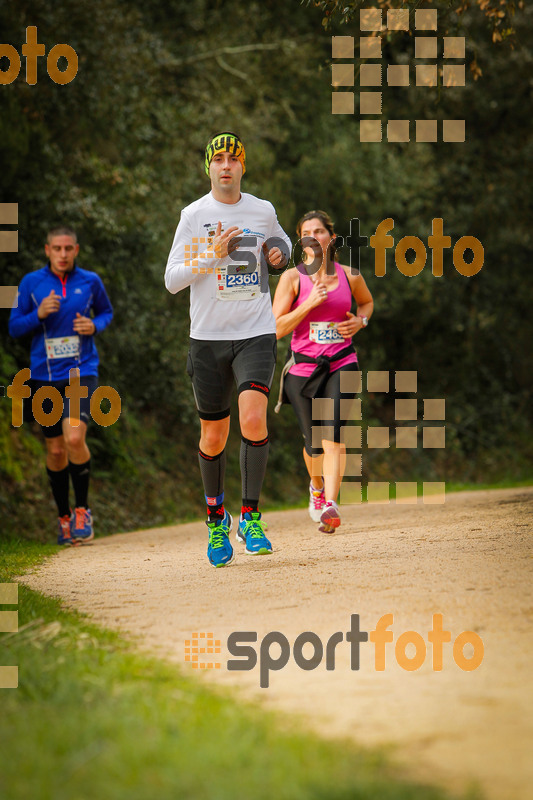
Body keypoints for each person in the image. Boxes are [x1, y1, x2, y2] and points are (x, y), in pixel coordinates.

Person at [165, 131, 291, 568]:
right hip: (207, 339)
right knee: (213, 436)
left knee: (253, 418)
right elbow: (172, 279)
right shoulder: (193, 215)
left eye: (233, 159)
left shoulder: (262, 209)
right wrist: (211, 256)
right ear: (208, 168)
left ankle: (250, 517)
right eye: (218, 159)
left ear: (242, 167)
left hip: (255, 330)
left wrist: (279, 255)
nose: (225, 166)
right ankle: (216, 520)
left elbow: (282, 244)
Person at [9, 226, 113, 545]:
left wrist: (94, 325)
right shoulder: (30, 283)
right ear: (47, 250)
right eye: (57, 249)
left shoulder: (90, 281)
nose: (63, 254)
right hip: (43, 375)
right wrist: (38, 315)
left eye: (69, 249)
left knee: (74, 436)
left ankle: (83, 511)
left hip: (81, 370)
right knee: (55, 449)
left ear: (76, 250)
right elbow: (14, 327)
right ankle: (64, 517)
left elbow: (107, 312)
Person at [272, 210, 373, 532]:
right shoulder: (292, 279)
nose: (314, 236)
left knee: (333, 436)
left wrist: (362, 321)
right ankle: (316, 487)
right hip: (303, 369)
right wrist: (309, 303)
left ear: (331, 236)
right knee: (314, 443)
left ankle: (330, 504)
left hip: (342, 362)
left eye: (320, 230)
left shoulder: (350, 275)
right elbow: (275, 329)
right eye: (307, 232)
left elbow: (367, 304)